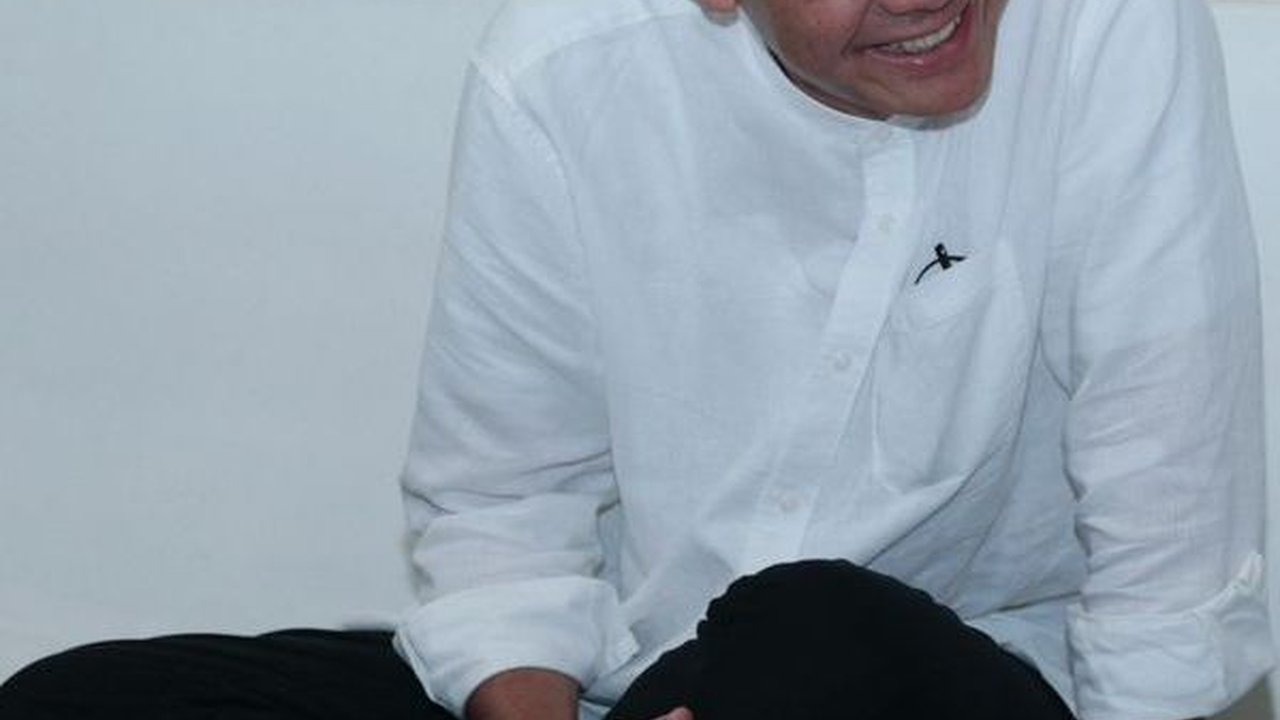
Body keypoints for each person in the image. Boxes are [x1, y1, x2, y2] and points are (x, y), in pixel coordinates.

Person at [0, 0, 1270, 719]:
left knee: (803, 623)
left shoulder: (1109, 30)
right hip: (643, 680)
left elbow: (1167, 563)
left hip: (953, 687)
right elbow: (503, 517)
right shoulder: (562, 77)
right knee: (81, 704)